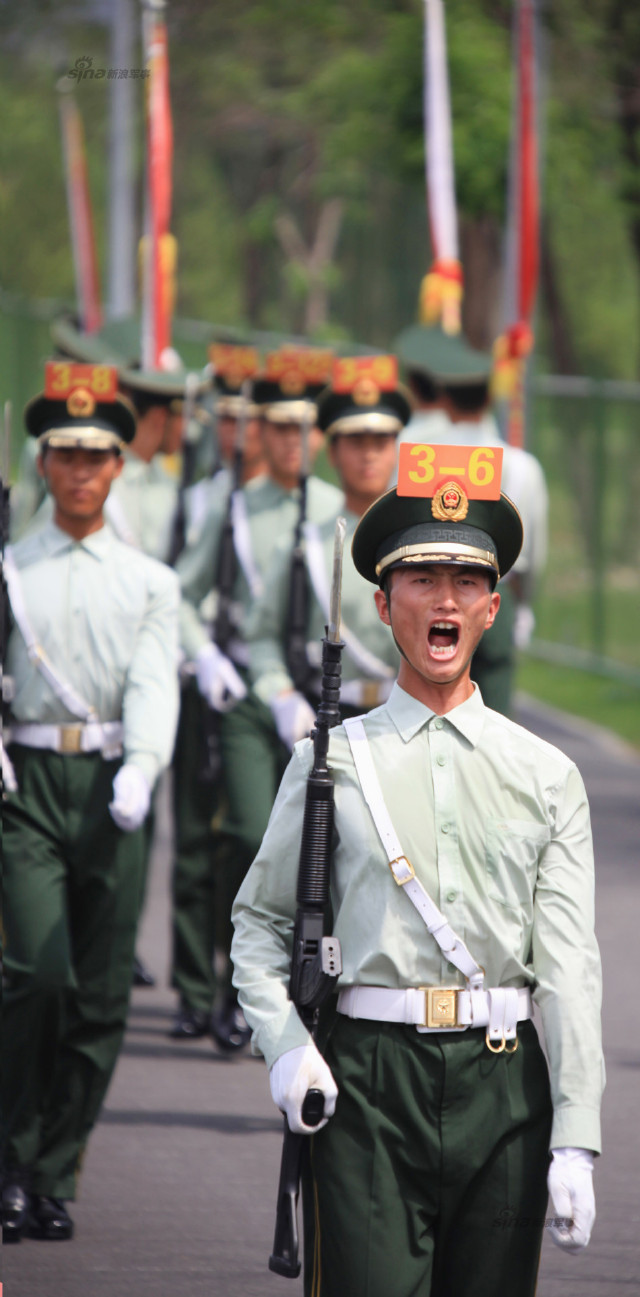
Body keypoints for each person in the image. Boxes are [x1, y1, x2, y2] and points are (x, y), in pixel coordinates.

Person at [231, 464, 603, 1297]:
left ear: (491, 607)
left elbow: (570, 965)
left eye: (467, 580)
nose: (445, 600)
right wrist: (286, 1048)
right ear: (382, 603)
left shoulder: (545, 774)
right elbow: (258, 925)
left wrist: (576, 1131)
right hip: (367, 1081)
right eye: (422, 578)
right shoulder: (326, 764)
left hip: (504, 1088)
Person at [1, 368, 180, 1242]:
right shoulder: (8, 567)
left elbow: (152, 680)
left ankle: (53, 1168)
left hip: (112, 783)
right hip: (26, 784)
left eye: (95, 455)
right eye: (64, 453)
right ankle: (10, 1151)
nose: (79, 470)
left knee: (101, 993)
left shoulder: (149, 581)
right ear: (42, 463)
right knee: (36, 973)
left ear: (118, 465)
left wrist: (143, 765)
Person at [174, 352, 341, 1047]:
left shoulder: (336, 509)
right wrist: (205, 652)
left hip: (320, 695)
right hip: (245, 689)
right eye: (277, 427)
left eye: (303, 428)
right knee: (245, 836)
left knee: (322, 850)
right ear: (260, 433)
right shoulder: (233, 506)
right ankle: (232, 983)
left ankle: (310, 993)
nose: (291, 441)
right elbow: (179, 591)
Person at [393, 323, 548, 715]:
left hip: (425, 593)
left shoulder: (416, 456)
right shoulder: (521, 466)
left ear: (444, 394)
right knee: (493, 725)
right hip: (496, 594)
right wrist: (523, 606)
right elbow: (534, 552)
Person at [247, 358, 411, 730]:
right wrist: (281, 695)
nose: (369, 454)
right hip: (329, 717)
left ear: (396, 449)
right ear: (332, 452)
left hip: (403, 717)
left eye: (381, 441)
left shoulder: (416, 544)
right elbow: (262, 635)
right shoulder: (306, 543)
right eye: (356, 442)